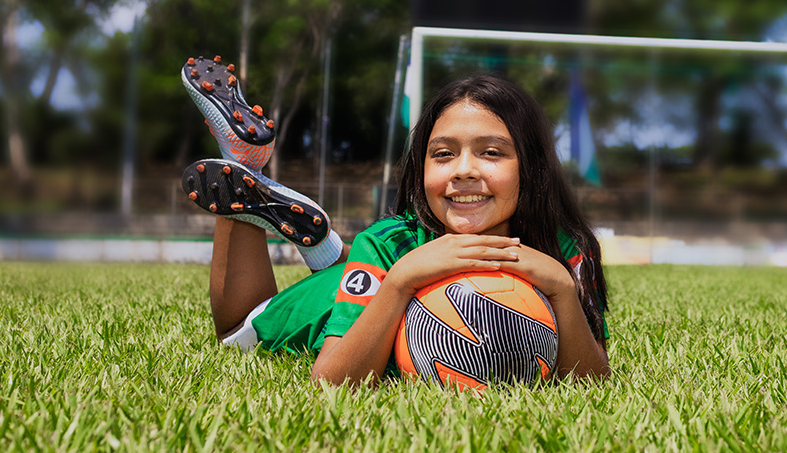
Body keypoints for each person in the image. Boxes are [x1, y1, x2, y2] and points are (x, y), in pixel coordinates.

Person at [179, 56, 610, 386]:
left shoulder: (568, 250)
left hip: (370, 270)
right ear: (420, 171)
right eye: (442, 154)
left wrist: (560, 289)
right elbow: (329, 381)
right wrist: (402, 282)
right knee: (237, 331)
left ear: (531, 167)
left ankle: (326, 249)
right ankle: (243, 161)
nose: (463, 170)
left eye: (491, 152)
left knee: (363, 269)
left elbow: (593, 381)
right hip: (335, 300)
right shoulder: (390, 243)